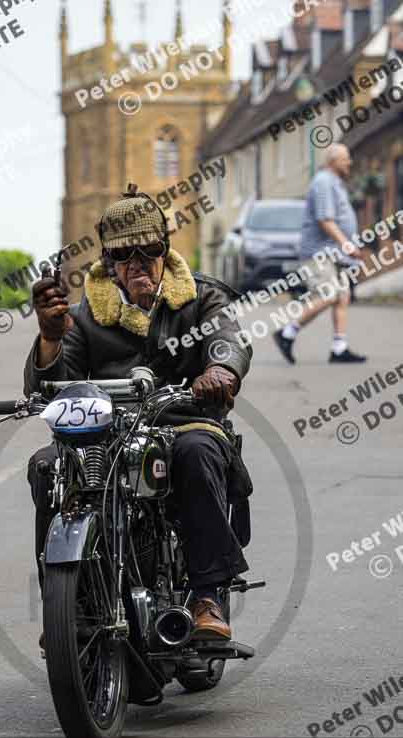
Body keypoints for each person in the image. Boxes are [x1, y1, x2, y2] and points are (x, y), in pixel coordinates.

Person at [25, 185, 253, 646]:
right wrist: (50, 336)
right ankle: (66, 601)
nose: (138, 263)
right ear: (108, 261)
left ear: (164, 250)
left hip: (184, 420)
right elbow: (49, 385)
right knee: (47, 466)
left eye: (149, 250)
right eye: (124, 254)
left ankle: (206, 596)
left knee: (197, 451)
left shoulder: (201, 298)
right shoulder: (84, 315)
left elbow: (230, 339)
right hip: (108, 434)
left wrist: (221, 369)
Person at [273, 144, 367, 365]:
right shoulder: (323, 182)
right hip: (319, 253)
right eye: (346, 159)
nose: (349, 163)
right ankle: (287, 333)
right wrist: (347, 245)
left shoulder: (335, 183)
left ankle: (339, 348)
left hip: (333, 252)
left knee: (342, 297)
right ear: (333, 161)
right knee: (328, 295)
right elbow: (325, 219)